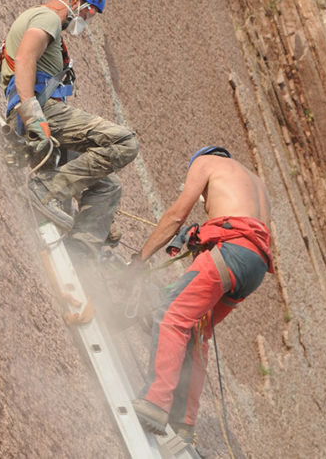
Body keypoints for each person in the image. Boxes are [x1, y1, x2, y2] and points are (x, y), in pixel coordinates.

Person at [132, 146, 273, 441]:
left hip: (231, 253)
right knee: (198, 331)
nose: (205, 201)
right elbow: (248, 231)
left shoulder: (205, 163)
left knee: (172, 316)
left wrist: (140, 258)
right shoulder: (256, 182)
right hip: (256, 266)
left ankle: (155, 403)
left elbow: (176, 216)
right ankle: (184, 423)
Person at [1, 0, 138, 254]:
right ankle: (45, 190)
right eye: (88, 13)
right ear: (75, 0)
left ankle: (82, 250)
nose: (86, 20)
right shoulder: (49, 17)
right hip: (41, 113)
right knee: (125, 142)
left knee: (109, 187)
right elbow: (25, 59)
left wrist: (98, 220)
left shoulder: (42, 19)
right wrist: (33, 116)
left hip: (45, 116)